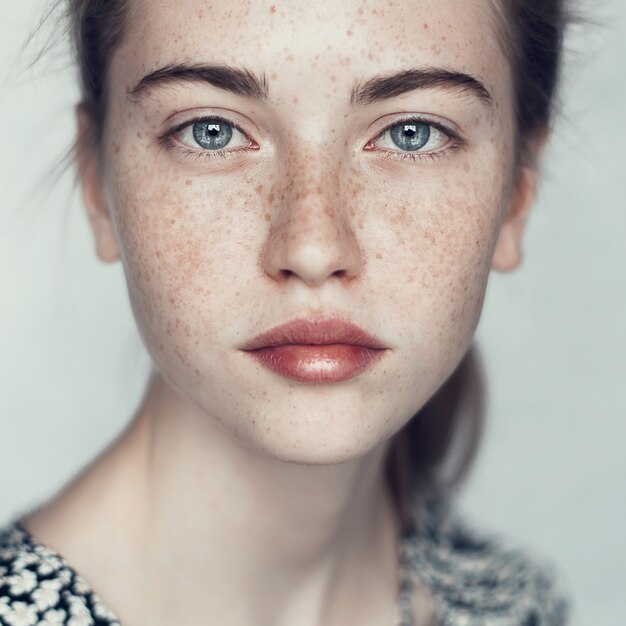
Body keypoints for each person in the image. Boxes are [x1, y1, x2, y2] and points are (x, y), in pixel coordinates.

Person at [0, 0, 572, 624]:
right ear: (97, 183)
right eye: (209, 131)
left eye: (414, 132)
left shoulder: (515, 605)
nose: (313, 247)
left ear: (518, 192)